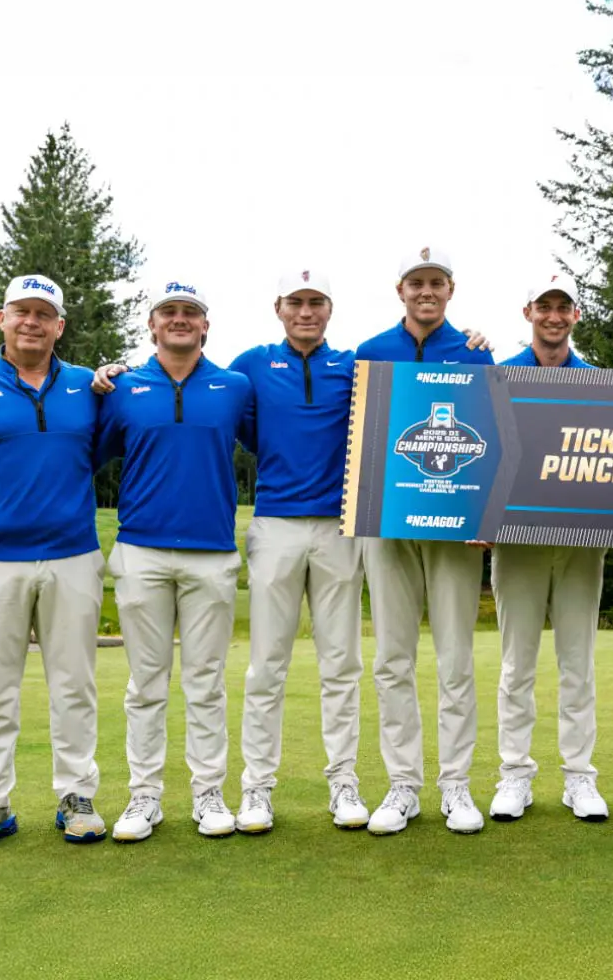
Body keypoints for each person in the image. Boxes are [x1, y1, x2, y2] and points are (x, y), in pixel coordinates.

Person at [96, 280, 252, 842]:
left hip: (212, 553)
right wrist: (100, 377)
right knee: (146, 684)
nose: (180, 319)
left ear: (205, 325)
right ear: (152, 325)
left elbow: (276, 444)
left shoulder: (235, 387)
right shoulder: (122, 388)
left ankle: (209, 793)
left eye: (190, 312)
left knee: (206, 682)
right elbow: (87, 453)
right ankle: (145, 796)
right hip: (141, 550)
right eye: (169, 312)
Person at [356, 246, 494, 835]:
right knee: (392, 658)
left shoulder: (475, 353)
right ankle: (403, 786)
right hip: (387, 525)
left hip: (455, 531)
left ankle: (456, 784)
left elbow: (493, 438)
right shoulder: (370, 352)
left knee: (455, 658)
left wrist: (487, 517)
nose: (426, 291)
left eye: (437, 282)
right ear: (401, 290)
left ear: (450, 290)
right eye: (417, 283)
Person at [229, 269, 367, 833]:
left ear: (329, 309)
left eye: (316, 302)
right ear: (279, 308)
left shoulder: (354, 365)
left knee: (341, 663)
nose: (306, 311)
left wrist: (475, 343)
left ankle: (343, 783)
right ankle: (257, 788)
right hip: (276, 525)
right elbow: (227, 414)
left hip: (340, 528)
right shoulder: (252, 364)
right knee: (267, 664)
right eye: (296, 302)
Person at [0, 275, 107, 853]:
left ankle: (76, 795)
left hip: (73, 555)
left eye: (43, 314)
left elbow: (103, 449)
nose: (32, 322)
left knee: (74, 685)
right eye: (21, 311)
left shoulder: (88, 386)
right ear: (2, 319)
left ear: (59, 326)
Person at [488, 273, 609, 823]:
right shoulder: (499, 377)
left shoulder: (599, 383)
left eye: (564, 307)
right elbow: (487, 458)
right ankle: (515, 773)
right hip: (517, 545)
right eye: (545, 306)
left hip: (580, 544)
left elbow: (612, 461)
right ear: (528, 312)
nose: (554, 316)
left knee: (577, 664)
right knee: (517, 664)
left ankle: (579, 776)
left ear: (576, 315)